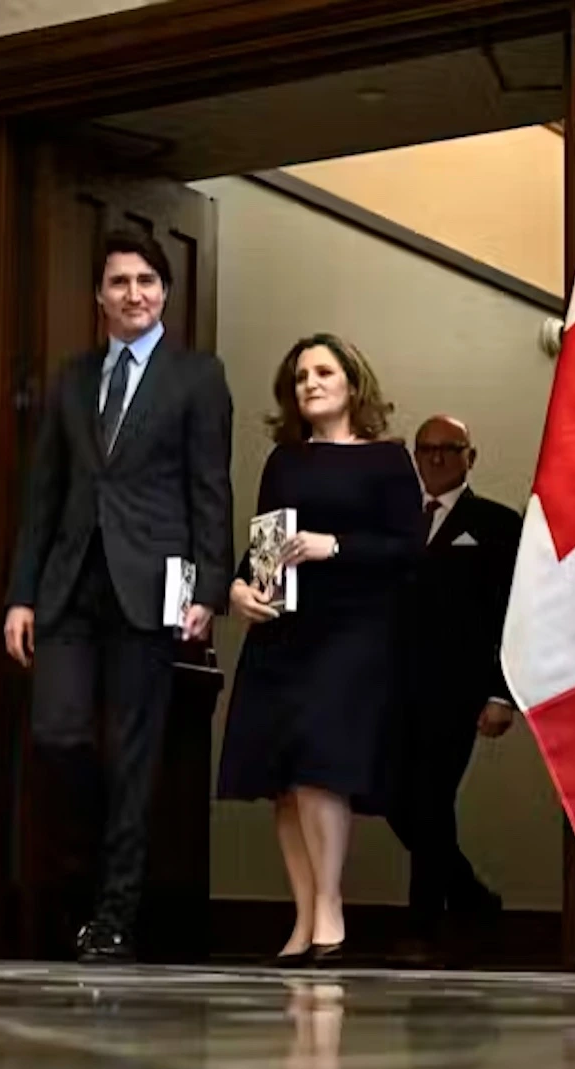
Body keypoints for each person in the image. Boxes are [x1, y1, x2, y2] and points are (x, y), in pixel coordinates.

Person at [5, 229, 234, 964]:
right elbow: (43, 496)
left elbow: (210, 487)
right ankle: (94, 868)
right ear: (98, 296)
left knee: (137, 755)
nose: (133, 293)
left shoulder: (197, 377)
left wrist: (206, 583)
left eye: (146, 281)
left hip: (152, 587)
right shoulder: (73, 380)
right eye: (118, 282)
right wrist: (22, 595)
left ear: (165, 292)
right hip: (71, 586)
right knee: (58, 735)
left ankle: (113, 915)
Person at [216, 335, 422, 965]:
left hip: (354, 631)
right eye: (300, 374)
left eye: (324, 371)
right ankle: (305, 919)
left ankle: (330, 911)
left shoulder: (389, 460)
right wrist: (238, 589)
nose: (310, 382)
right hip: (283, 630)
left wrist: (334, 546)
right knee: (283, 778)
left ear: (353, 384)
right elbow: (263, 548)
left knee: (319, 764)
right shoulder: (285, 461)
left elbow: (409, 550)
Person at [388, 415, 524, 956]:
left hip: (457, 693)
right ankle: (469, 895)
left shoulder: (495, 524)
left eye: (450, 448)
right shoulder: (394, 520)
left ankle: (422, 928)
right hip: (391, 689)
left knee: (430, 799)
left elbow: (511, 614)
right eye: (427, 449)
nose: (437, 457)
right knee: (396, 799)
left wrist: (501, 694)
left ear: (472, 456)